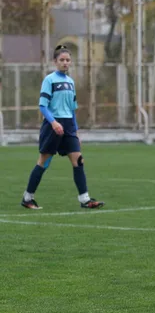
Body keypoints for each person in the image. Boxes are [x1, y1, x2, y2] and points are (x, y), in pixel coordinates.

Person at [21, 45, 104, 210]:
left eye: (68, 60)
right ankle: (27, 197)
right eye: (62, 60)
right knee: (43, 162)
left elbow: (72, 109)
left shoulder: (70, 82)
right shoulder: (49, 80)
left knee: (78, 161)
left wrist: (75, 131)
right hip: (53, 126)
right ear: (55, 62)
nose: (65, 63)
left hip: (68, 126)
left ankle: (85, 199)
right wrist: (53, 122)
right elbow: (43, 106)